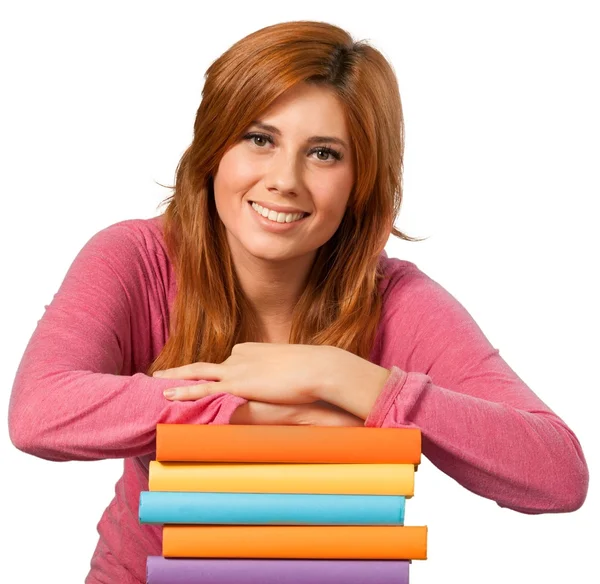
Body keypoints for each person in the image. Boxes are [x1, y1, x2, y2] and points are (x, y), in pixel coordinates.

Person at [8, 19, 588, 584]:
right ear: (215, 149)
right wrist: (247, 406)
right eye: (259, 139)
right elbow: (38, 413)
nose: (284, 179)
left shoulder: (398, 300)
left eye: (324, 154)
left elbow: (557, 472)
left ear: (361, 180)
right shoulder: (136, 258)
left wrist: (344, 378)